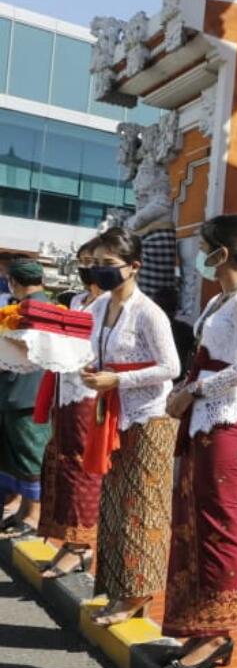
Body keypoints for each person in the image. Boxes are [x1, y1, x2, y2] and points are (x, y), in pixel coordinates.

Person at [160, 216, 237, 668]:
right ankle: (200, 627)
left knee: (220, 523)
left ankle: (220, 632)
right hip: (203, 420)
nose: (199, 255)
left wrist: (195, 391)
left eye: (204, 247)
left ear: (222, 253)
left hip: (228, 419)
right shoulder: (219, 300)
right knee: (195, 522)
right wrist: (185, 390)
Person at [81, 227, 181, 627]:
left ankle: (138, 593)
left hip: (147, 418)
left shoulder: (148, 312)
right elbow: (84, 346)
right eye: (96, 264)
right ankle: (120, 587)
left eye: (109, 265)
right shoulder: (98, 306)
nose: (100, 272)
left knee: (142, 509)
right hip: (111, 413)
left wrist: (118, 379)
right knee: (115, 504)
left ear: (134, 267)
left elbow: (170, 368)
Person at [38, 241, 105, 577]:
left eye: (93, 262)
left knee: (82, 465)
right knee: (62, 460)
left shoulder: (110, 303)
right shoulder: (77, 300)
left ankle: (80, 545)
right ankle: (65, 537)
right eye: (83, 262)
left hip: (90, 393)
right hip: (66, 388)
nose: (86, 268)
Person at [0, 258, 54, 539]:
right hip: (15, 391)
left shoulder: (39, 309)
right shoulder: (23, 307)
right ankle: (22, 511)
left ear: (15, 283)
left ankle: (34, 514)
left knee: (30, 454)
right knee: (14, 455)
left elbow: (34, 348)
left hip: (29, 393)